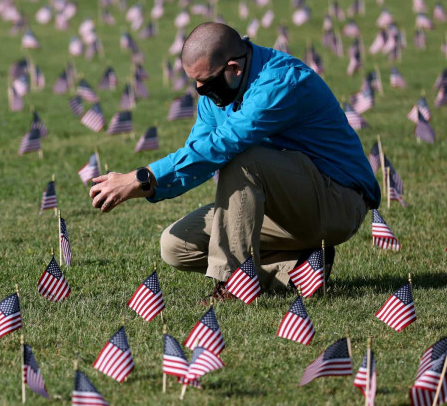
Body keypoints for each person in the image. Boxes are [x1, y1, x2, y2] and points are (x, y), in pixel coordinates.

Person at [88, 22, 380, 300]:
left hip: (336, 202)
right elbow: (198, 152)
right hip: (285, 208)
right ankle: (298, 268)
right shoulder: (217, 94)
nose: (201, 91)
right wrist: (147, 185)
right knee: (175, 245)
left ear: (234, 68)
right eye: (195, 83)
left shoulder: (279, 81)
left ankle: (233, 284)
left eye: (206, 82)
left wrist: (142, 177)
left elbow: (223, 145)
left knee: (243, 159)